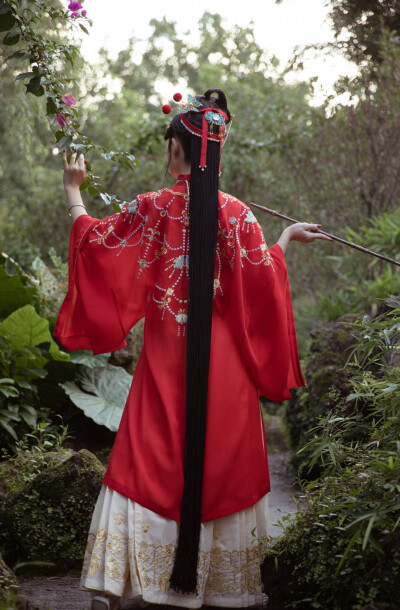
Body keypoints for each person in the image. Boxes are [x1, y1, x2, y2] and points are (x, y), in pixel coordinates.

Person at [54, 89, 331, 610]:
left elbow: (95, 246)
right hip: (225, 379)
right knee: (218, 465)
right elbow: (263, 283)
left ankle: (139, 584)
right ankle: (213, 588)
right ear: (216, 153)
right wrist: (286, 239)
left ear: (178, 150)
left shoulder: (152, 208)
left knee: (146, 460)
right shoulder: (240, 216)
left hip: (165, 366)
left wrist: (74, 191)